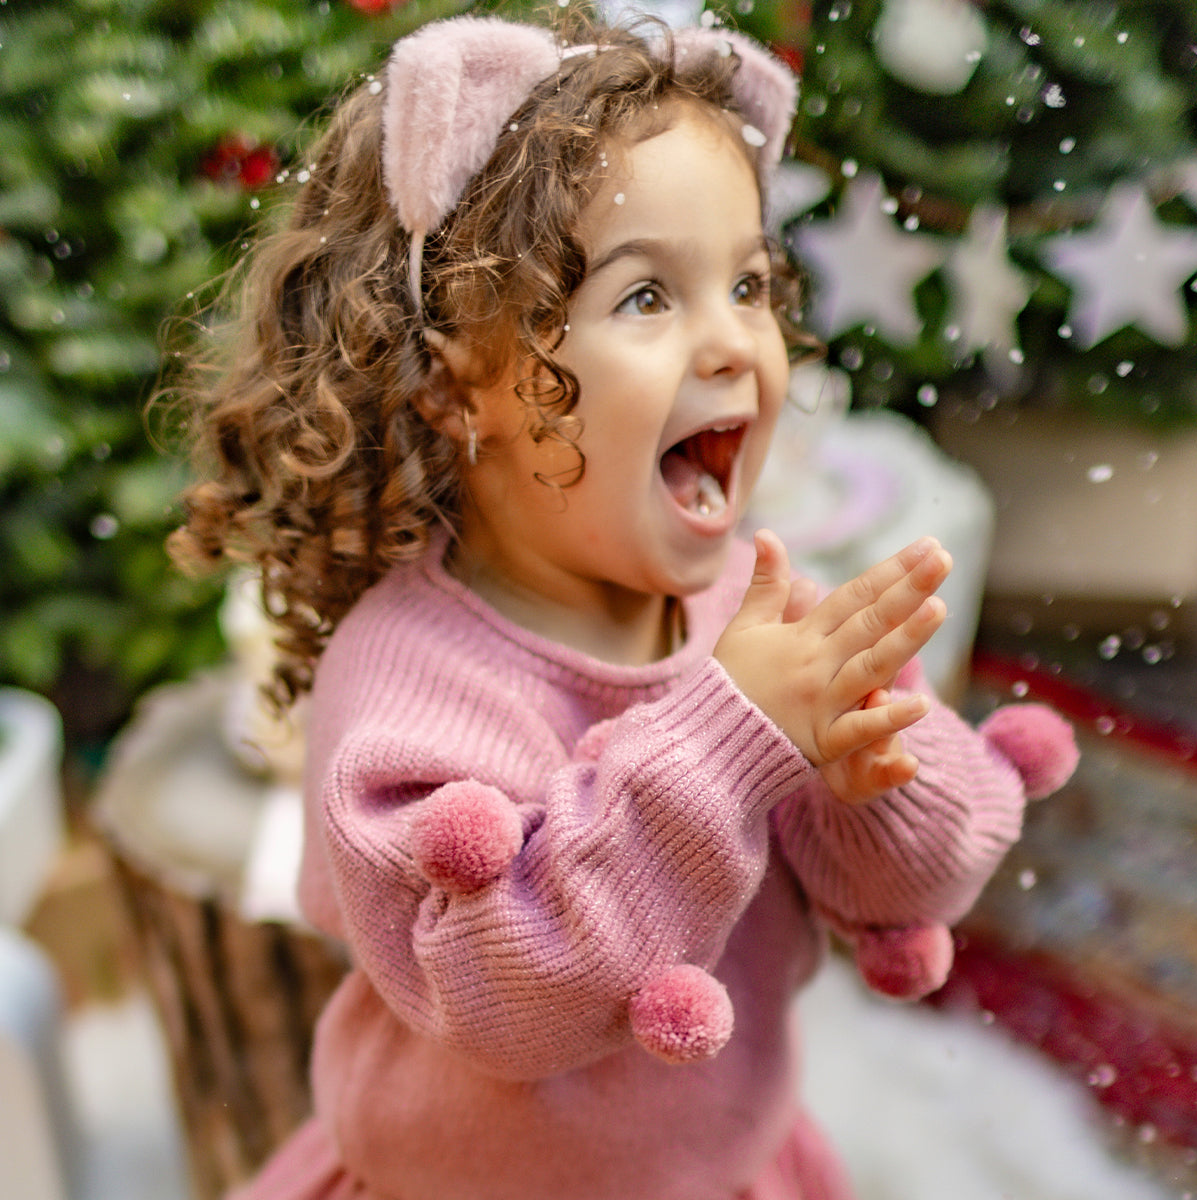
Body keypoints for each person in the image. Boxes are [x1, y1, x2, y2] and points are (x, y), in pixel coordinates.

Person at [168, 13, 1033, 1199]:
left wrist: (869, 783)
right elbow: (507, 996)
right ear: (449, 380)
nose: (734, 340)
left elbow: (919, 887)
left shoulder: (763, 611)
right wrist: (732, 746)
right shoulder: (408, 682)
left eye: (748, 282)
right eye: (644, 298)